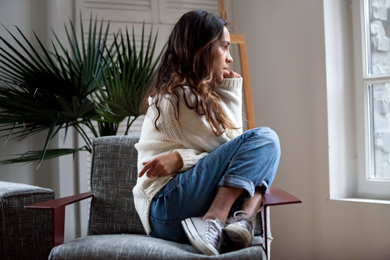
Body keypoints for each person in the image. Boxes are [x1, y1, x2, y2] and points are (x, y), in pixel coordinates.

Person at [133, 9, 281, 256]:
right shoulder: (178, 98)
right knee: (266, 140)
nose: (229, 59)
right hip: (166, 206)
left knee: (259, 158)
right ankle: (221, 217)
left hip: (178, 209)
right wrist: (232, 91)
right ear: (203, 49)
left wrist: (182, 159)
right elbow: (237, 147)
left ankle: (240, 221)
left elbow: (237, 160)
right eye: (224, 47)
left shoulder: (197, 97)